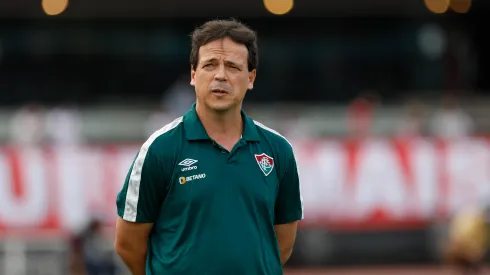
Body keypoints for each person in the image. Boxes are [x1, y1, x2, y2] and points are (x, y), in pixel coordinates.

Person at [114, 19, 303, 275]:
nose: (221, 75)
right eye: (210, 65)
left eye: (233, 66)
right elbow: (128, 244)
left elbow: (282, 244)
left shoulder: (278, 150)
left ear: (251, 77)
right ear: (193, 74)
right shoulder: (160, 149)